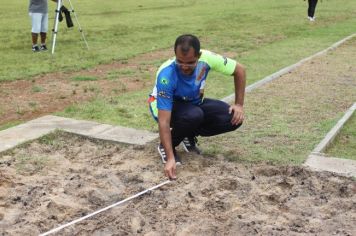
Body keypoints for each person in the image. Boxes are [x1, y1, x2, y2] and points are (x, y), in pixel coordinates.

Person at [148, 34, 246, 180]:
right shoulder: (166, 75)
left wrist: (238, 104)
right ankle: (166, 146)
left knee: (232, 118)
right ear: (175, 55)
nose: (184, 67)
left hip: (192, 103)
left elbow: (240, 70)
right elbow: (164, 121)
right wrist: (170, 158)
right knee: (194, 115)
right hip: (164, 106)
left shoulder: (207, 58)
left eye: (190, 62)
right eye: (180, 62)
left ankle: (188, 133)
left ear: (199, 56)